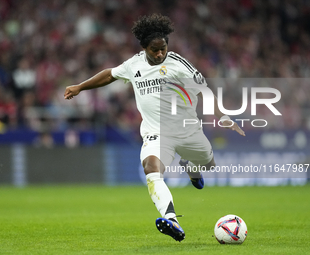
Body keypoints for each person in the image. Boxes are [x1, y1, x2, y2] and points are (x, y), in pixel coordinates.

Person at [64, 13, 245, 242]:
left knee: (208, 164)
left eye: (163, 48)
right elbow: (110, 75)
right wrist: (80, 86)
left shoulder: (178, 64)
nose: (160, 53)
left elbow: (204, 91)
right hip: (157, 133)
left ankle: (191, 165)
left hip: (188, 130)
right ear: (144, 47)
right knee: (152, 169)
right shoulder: (133, 65)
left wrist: (224, 117)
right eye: (154, 49)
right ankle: (172, 220)